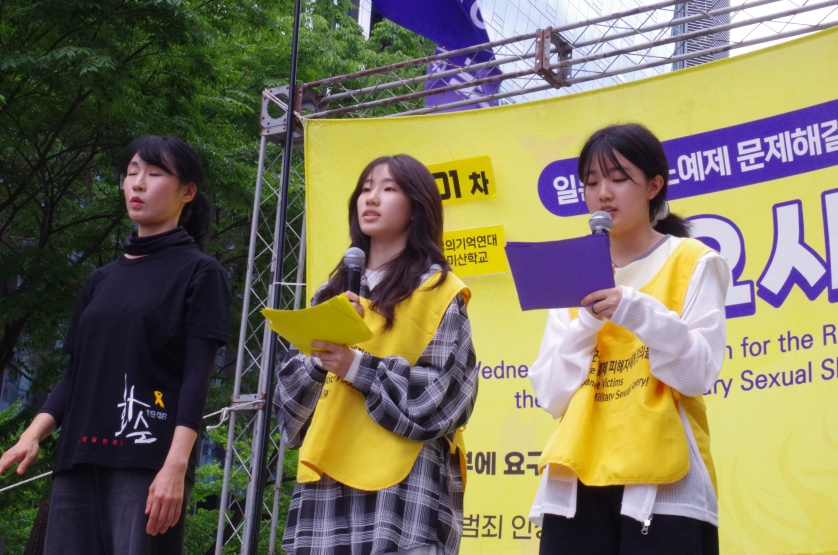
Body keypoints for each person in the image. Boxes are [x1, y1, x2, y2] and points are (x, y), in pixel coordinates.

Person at [0, 136, 231, 554]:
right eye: (131, 173)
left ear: (187, 192)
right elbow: (75, 374)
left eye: (154, 174)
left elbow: (197, 378)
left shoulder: (201, 273)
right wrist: (32, 434)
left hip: (146, 461)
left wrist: (176, 466)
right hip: (77, 459)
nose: (137, 184)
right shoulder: (100, 279)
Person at [528, 123, 729, 554]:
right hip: (578, 476)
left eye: (619, 179)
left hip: (666, 483)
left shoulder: (693, 260)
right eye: (591, 182)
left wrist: (635, 310)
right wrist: (586, 323)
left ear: (653, 186)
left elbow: (697, 374)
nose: (603, 193)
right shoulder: (571, 270)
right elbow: (550, 394)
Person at [273, 154, 478, 555]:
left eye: (388, 189)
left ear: (416, 206)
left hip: (402, 487)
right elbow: (289, 415)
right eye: (365, 189)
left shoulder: (438, 289)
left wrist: (357, 367)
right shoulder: (331, 293)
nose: (371, 198)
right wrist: (320, 360)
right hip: (327, 483)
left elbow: (448, 398)